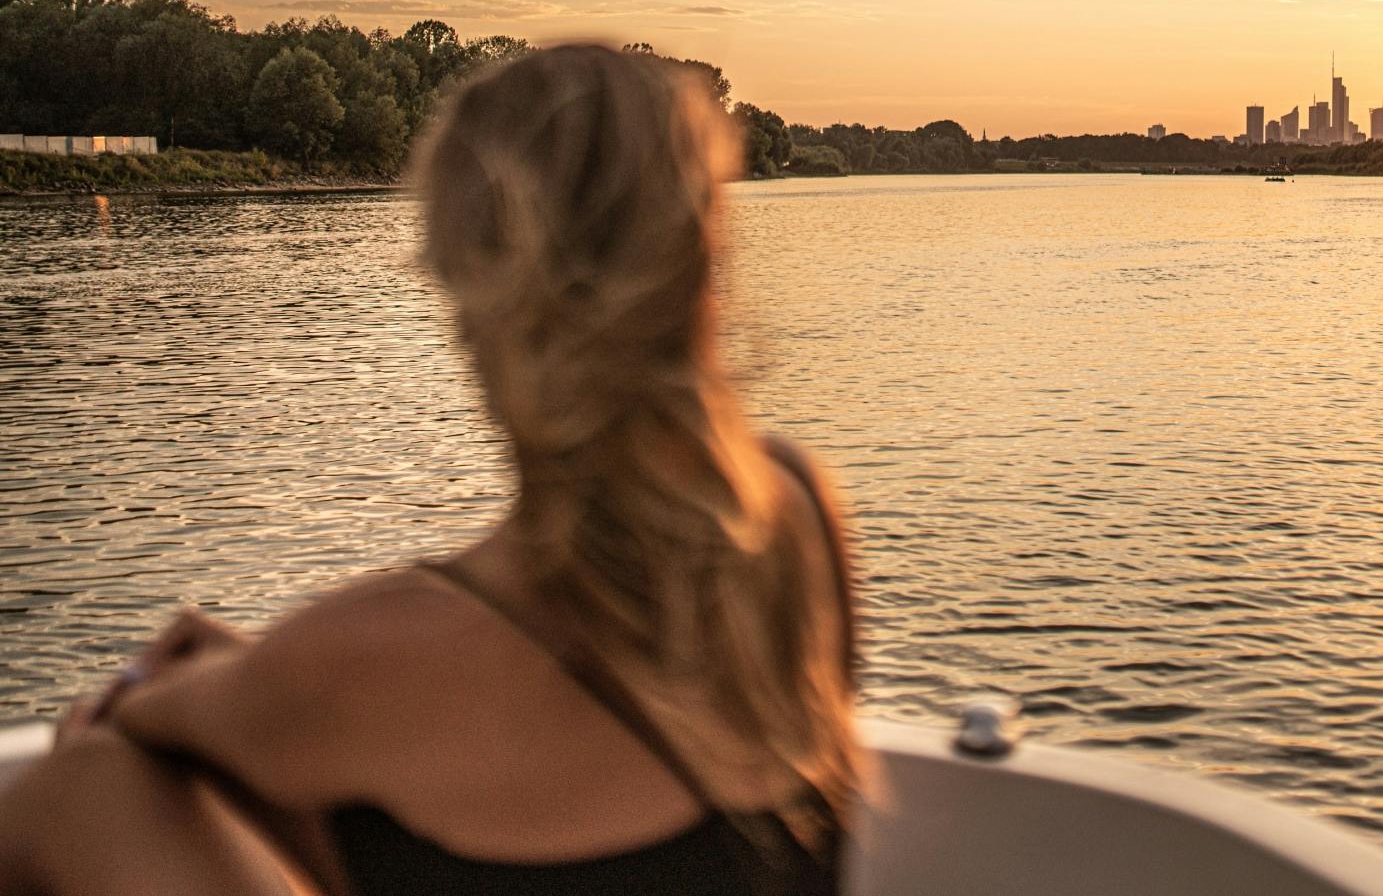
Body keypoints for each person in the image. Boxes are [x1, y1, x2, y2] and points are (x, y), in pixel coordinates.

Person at [0, 44, 860, 895]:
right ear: (699, 250)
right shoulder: (798, 512)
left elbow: (133, 718)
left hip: (299, 696)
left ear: (470, 294)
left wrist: (261, 679)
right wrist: (282, 677)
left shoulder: (387, 651)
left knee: (86, 785)